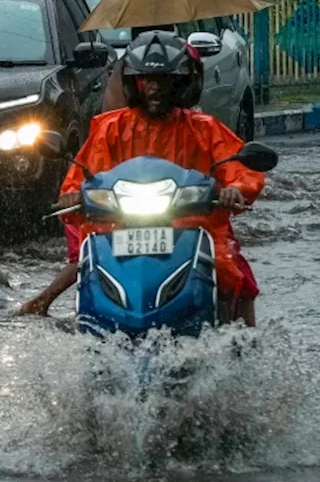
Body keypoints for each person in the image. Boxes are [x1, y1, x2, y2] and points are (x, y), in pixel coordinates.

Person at [18, 30, 263, 324]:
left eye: (164, 80)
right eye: (147, 79)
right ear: (134, 84)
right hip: (119, 223)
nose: (155, 88)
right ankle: (91, 324)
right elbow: (81, 174)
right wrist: (72, 194)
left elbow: (240, 167)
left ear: (182, 83)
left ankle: (244, 341)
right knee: (89, 265)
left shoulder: (205, 128)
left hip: (193, 224)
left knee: (230, 269)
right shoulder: (110, 129)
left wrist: (234, 189)